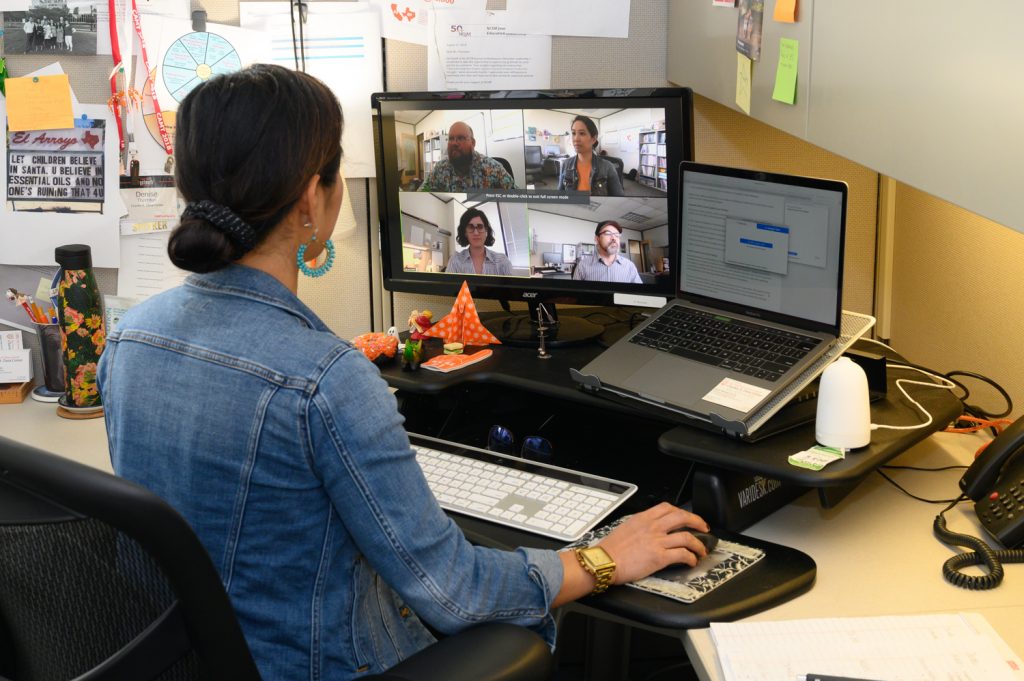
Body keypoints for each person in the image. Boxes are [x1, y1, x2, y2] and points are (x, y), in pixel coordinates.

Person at [97, 64, 709, 681]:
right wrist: (603, 558)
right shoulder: (327, 381)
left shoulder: (127, 340)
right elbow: (456, 591)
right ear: (312, 199)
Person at [419, 121, 516, 192]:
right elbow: (422, 193)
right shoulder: (440, 168)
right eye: (451, 138)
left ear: (473, 143)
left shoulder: (493, 169)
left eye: (461, 138)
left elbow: (517, 198)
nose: (454, 143)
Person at [557, 114, 624, 197]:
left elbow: (619, 198)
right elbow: (560, 196)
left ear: (593, 139)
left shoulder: (607, 167)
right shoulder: (565, 165)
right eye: (573, 133)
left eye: (582, 133)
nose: (576, 139)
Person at [444, 208, 513, 275]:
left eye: (480, 227)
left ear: (486, 230)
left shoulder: (502, 261)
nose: (476, 233)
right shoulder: (455, 261)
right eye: (470, 227)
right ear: (465, 233)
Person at [572, 219, 643, 283]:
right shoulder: (582, 266)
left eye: (617, 235)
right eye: (608, 233)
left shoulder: (629, 266)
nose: (614, 238)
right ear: (597, 239)